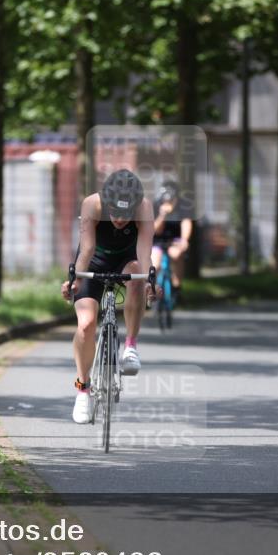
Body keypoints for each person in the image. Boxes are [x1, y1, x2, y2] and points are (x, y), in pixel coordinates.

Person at [61, 169, 156, 424]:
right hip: (94, 261)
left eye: (126, 215)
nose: (119, 219)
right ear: (106, 203)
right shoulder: (92, 204)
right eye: (114, 212)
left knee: (137, 274)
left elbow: (144, 253)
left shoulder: (144, 208)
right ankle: (83, 389)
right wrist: (76, 279)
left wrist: (149, 281)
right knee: (86, 325)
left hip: (127, 261)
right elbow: (87, 248)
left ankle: (131, 347)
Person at [150, 180, 193, 299]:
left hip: (175, 239)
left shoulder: (183, 205)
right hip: (158, 241)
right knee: (155, 263)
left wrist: (184, 240)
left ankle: (176, 287)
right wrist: (162, 215)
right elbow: (155, 230)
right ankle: (152, 290)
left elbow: (186, 222)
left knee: (176, 255)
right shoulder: (155, 205)